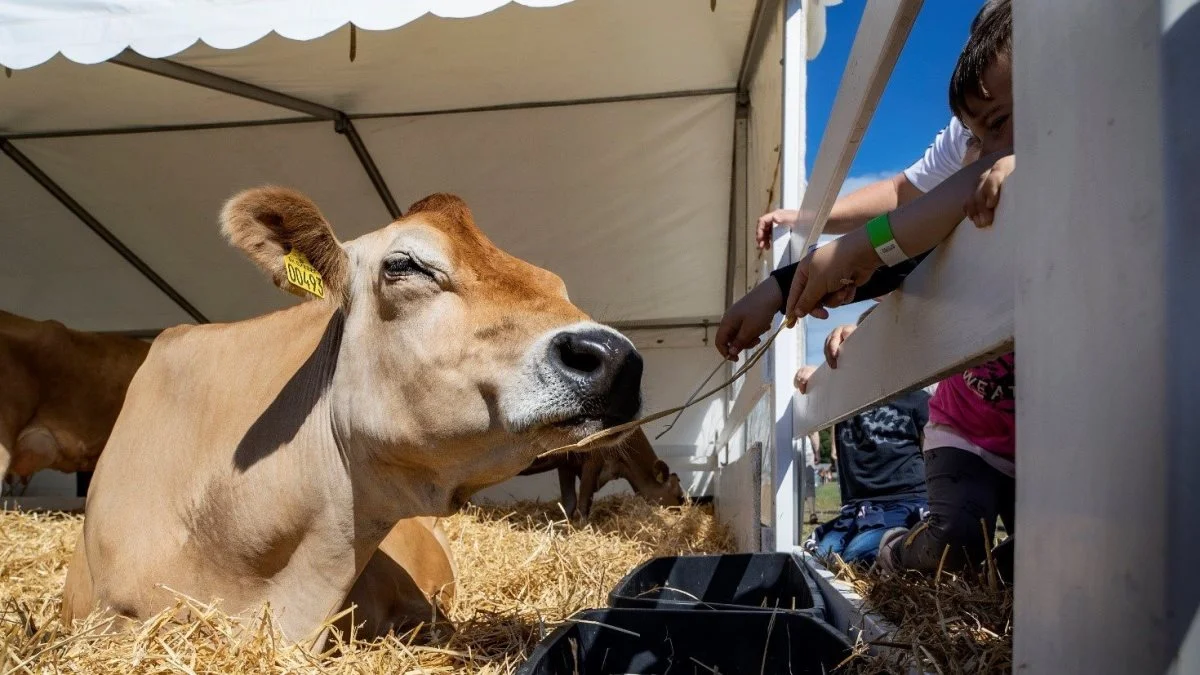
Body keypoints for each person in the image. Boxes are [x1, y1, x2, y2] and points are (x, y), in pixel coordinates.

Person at [718, 0, 1016, 578]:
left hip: (1045, 425)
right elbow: (912, 201)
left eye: (996, 126)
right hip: (973, 421)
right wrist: (809, 231)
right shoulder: (975, 137)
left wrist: (833, 259)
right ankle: (891, 552)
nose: (979, 149)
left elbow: (923, 212)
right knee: (957, 540)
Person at [797, 304, 933, 565]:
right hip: (858, 508)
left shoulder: (916, 399)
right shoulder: (845, 398)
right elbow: (810, 380)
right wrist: (812, 378)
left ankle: (902, 543)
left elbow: (932, 451)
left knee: (857, 557)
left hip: (904, 501)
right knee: (821, 554)